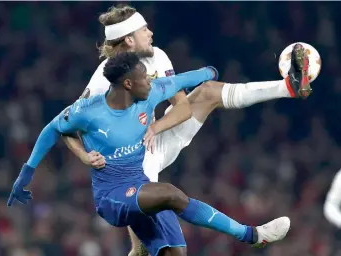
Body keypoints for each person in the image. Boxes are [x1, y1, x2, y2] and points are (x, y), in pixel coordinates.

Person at [62, 5, 311, 255]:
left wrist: (156, 126)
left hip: (157, 138)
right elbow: (67, 125)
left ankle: (288, 87)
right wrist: (87, 155)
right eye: (144, 29)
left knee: (208, 91)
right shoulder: (102, 80)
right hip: (130, 161)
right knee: (149, 249)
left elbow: (182, 108)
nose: (150, 32)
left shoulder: (156, 57)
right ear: (129, 39)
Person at [8, 52, 291, 256]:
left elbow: (182, 80)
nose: (150, 81)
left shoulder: (150, 92)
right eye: (143, 77)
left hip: (140, 186)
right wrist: (27, 173)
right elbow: (52, 129)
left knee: (176, 253)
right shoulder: (89, 110)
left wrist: (209, 73)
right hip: (112, 196)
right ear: (127, 84)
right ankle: (252, 235)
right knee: (170, 194)